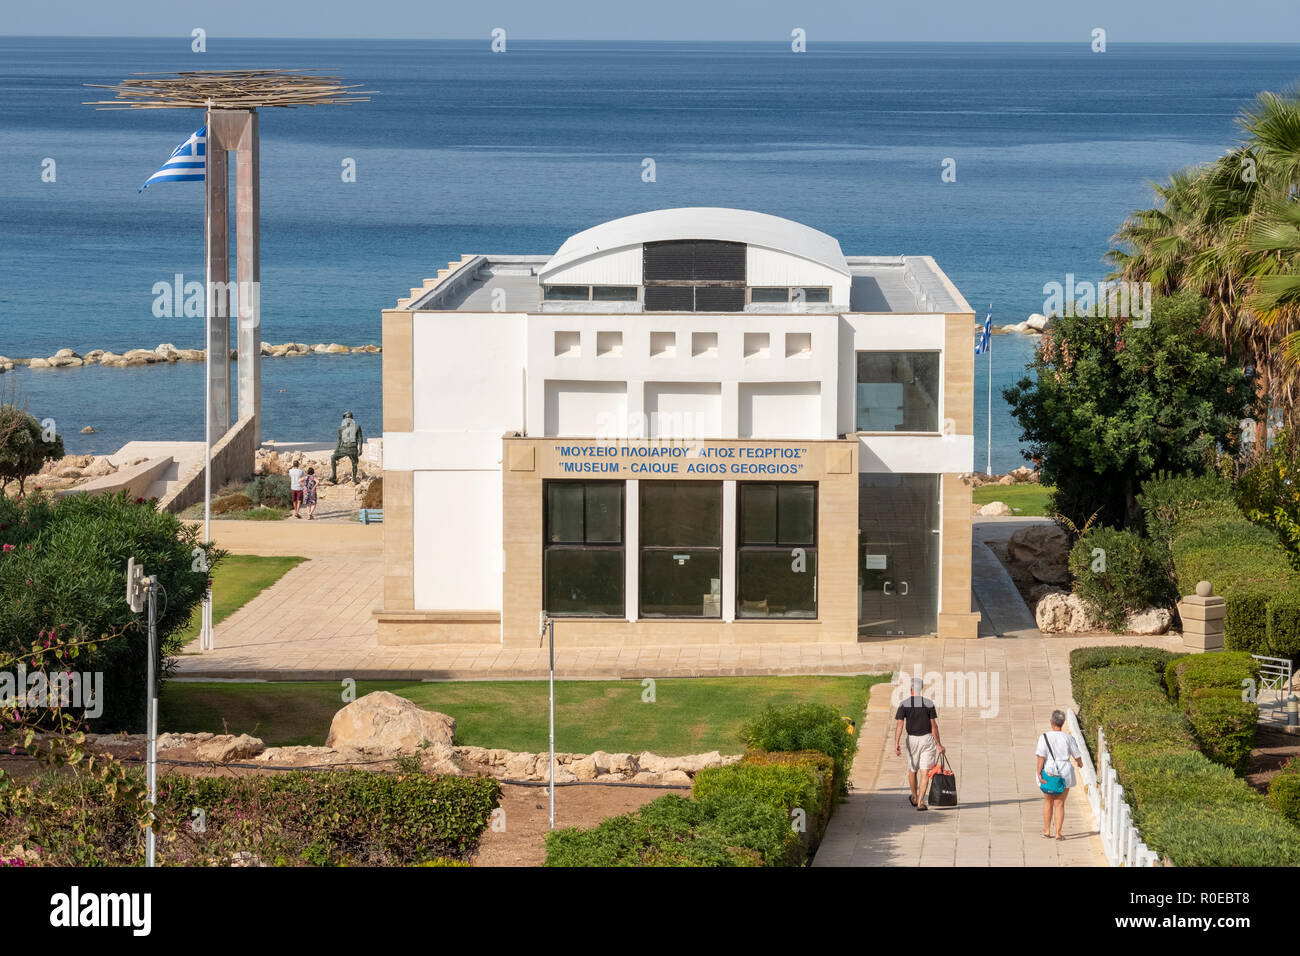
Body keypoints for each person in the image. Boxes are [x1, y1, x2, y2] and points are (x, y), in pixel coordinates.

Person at [894, 678, 945, 811]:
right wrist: (939, 744)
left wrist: (896, 743)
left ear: (911, 689)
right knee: (925, 772)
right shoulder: (928, 703)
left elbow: (900, 725)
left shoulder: (904, 704)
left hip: (912, 740)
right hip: (927, 739)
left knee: (913, 769)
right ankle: (921, 802)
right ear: (921, 689)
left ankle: (915, 796)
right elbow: (934, 725)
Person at [1036, 709, 1084, 840]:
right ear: (1062, 723)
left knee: (1048, 801)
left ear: (1051, 722)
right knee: (1060, 803)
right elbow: (1077, 756)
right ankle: (1058, 833)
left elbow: (1041, 756)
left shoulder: (1044, 737)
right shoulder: (1068, 738)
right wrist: (1080, 763)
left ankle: (1047, 831)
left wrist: (1039, 772)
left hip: (1049, 770)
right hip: (1065, 771)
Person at [331, 411, 364, 483]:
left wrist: (360, 449)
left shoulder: (357, 427)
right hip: (344, 448)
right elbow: (339, 440)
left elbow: (360, 438)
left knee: (354, 463)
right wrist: (336, 449)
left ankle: (354, 478)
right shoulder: (341, 428)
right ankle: (334, 476)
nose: (348, 419)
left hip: (353, 448)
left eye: (349, 417)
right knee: (333, 457)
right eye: (347, 417)